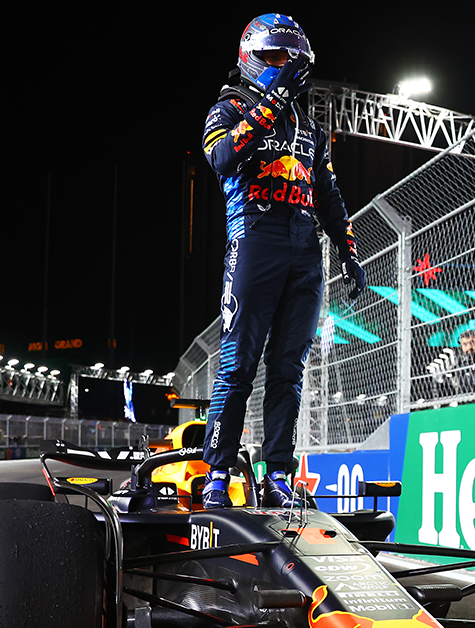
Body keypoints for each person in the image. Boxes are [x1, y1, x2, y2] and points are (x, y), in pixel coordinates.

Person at [199, 13, 364, 509]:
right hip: (254, 240)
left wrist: (348, 249)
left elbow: (328, 193)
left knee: (288, 370)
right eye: (274, 56)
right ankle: (218, 473)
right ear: (251, 55)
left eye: (291, 58)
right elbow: (222, 159)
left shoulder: (311, 128)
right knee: (237, 365)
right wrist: (271, 102)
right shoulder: (227, 108)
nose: (284, 66)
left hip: (305, 249)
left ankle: (278, 474)